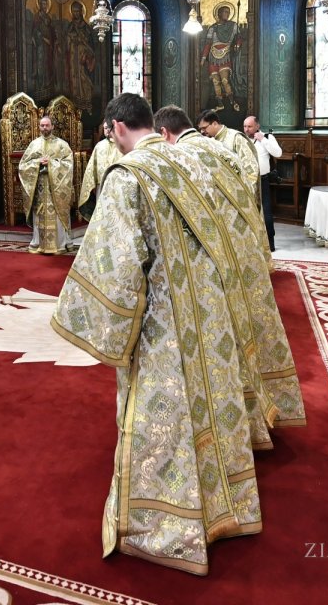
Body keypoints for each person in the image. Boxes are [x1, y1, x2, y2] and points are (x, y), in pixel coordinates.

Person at [52, 93, 273, 574]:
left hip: (166, 319)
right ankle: (226, 501)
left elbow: (115, 263)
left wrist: (106, 328)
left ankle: (169, 523)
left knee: (164, 414)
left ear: (116, 128)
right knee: (209, 399)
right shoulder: (192, 159)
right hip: (210, 309)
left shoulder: (128, 175)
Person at [155, 105, 305, 429]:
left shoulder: (180, 156)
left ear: (165, 133)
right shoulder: (218, 148)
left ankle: (228, 416)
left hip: (208, 252)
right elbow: (245, 185)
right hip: (239, 243)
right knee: (243, 322)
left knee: (216, 332)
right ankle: (256, 407)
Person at [19, 114, 75, 254]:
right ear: (39, 127)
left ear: (52, 126)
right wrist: (37, 163)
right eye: (42, 125)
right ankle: (39, 243)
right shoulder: (34, 145)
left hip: (56, 188)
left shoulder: (62, 145)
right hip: (39, 187)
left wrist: (51, 164)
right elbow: (23, 166)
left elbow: (69, 164)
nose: (44, 128)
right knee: (39, 213)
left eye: (47, 125)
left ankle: (60, 244)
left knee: (57, 214)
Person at [197, 108, 259, 204]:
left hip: (238, 194)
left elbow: (251, 168)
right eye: (200, 129)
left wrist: (246, 194)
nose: (201, 132)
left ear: (214, 123)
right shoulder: (207, 141)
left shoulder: (235, 138)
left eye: (204, 128)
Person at [244, 115, 283, 252]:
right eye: (245, 126)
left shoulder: (267, 137)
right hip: (246, 180)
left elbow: (278, 153)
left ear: (257, 126)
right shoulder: (241, 139)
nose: (246, 129)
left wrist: (263, 140)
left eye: (249, 126)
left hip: (262, 179)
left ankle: (270, 243)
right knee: (248, 211)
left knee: (266, 211)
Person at [200, 4, 244, 111]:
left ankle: (233, 102)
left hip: (225, 56)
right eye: (225, 12)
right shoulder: (212, 28)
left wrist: (237, 45)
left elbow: (239, 37)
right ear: (219, 13)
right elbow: (208, 44)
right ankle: (220, 105)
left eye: (229, 12)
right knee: (216, 82)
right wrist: (203, 58)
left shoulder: (233, 26)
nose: (227, 14)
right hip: (213, 57)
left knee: (225, 81)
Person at [76, 120, 121, 220]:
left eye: (108, 128)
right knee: (102, 214)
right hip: (101, 185)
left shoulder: (122, 145)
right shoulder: (99, 146)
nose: (107, 130)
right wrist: (92, 184)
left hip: (118, 185)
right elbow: (92, 167)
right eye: (105, 128)